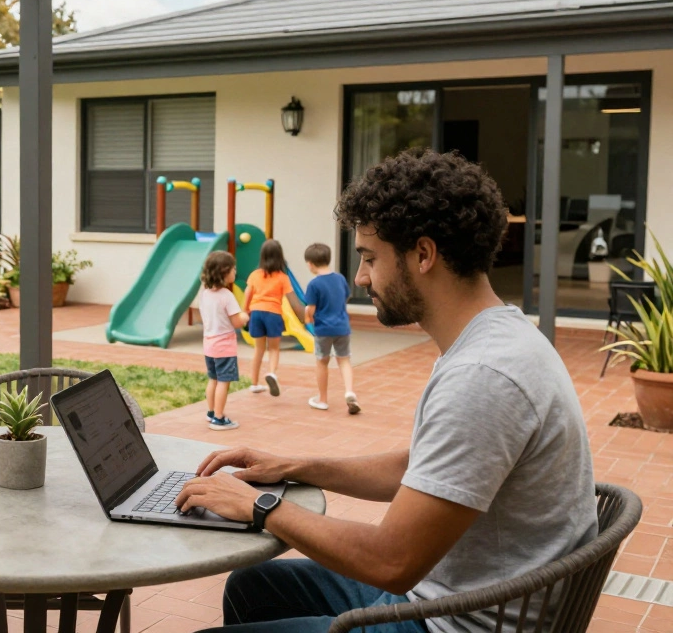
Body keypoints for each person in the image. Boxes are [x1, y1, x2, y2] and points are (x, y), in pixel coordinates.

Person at [175, 149, 595, 633]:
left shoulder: (484, 375)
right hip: (448, 594)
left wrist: (260, 506)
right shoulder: (500, 337)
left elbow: (392, 562)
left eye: (371, 259)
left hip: (450, 622)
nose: (360, 278)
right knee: (252, 585)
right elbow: (423, 467)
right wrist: (293, 466)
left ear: (423, 254)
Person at [243, 240, 304, 398]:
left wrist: (245, 312)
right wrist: (303, 317)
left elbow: (247, 294)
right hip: (273, 314)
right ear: (280, 257)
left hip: (256, 313)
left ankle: (254, 383)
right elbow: (293, 300)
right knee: (274, 348)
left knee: (258, 349)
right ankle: (271, 373)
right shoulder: (283, 278)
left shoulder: (254, 275)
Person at [302, 243, 359, 414]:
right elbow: (346, 296)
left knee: (322, 362)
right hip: (342, 327)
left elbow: (310, 309)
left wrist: (307, 319)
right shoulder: (340, 279)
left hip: (323, 329)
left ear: (311, 263)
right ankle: (349, 391)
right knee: (344, 360)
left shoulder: (314, 284)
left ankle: (322, 399)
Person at [200, 251, 248, 431]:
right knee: (223, 382)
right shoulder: (227, 296)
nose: (235, 271)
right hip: (224, 347)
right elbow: (236, 321)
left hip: (209, 345)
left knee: (213, 379)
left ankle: (211, 412)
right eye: (233, 268)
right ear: (224, 272)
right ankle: (219, 418)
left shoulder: (205, 294)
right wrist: (244, 316)